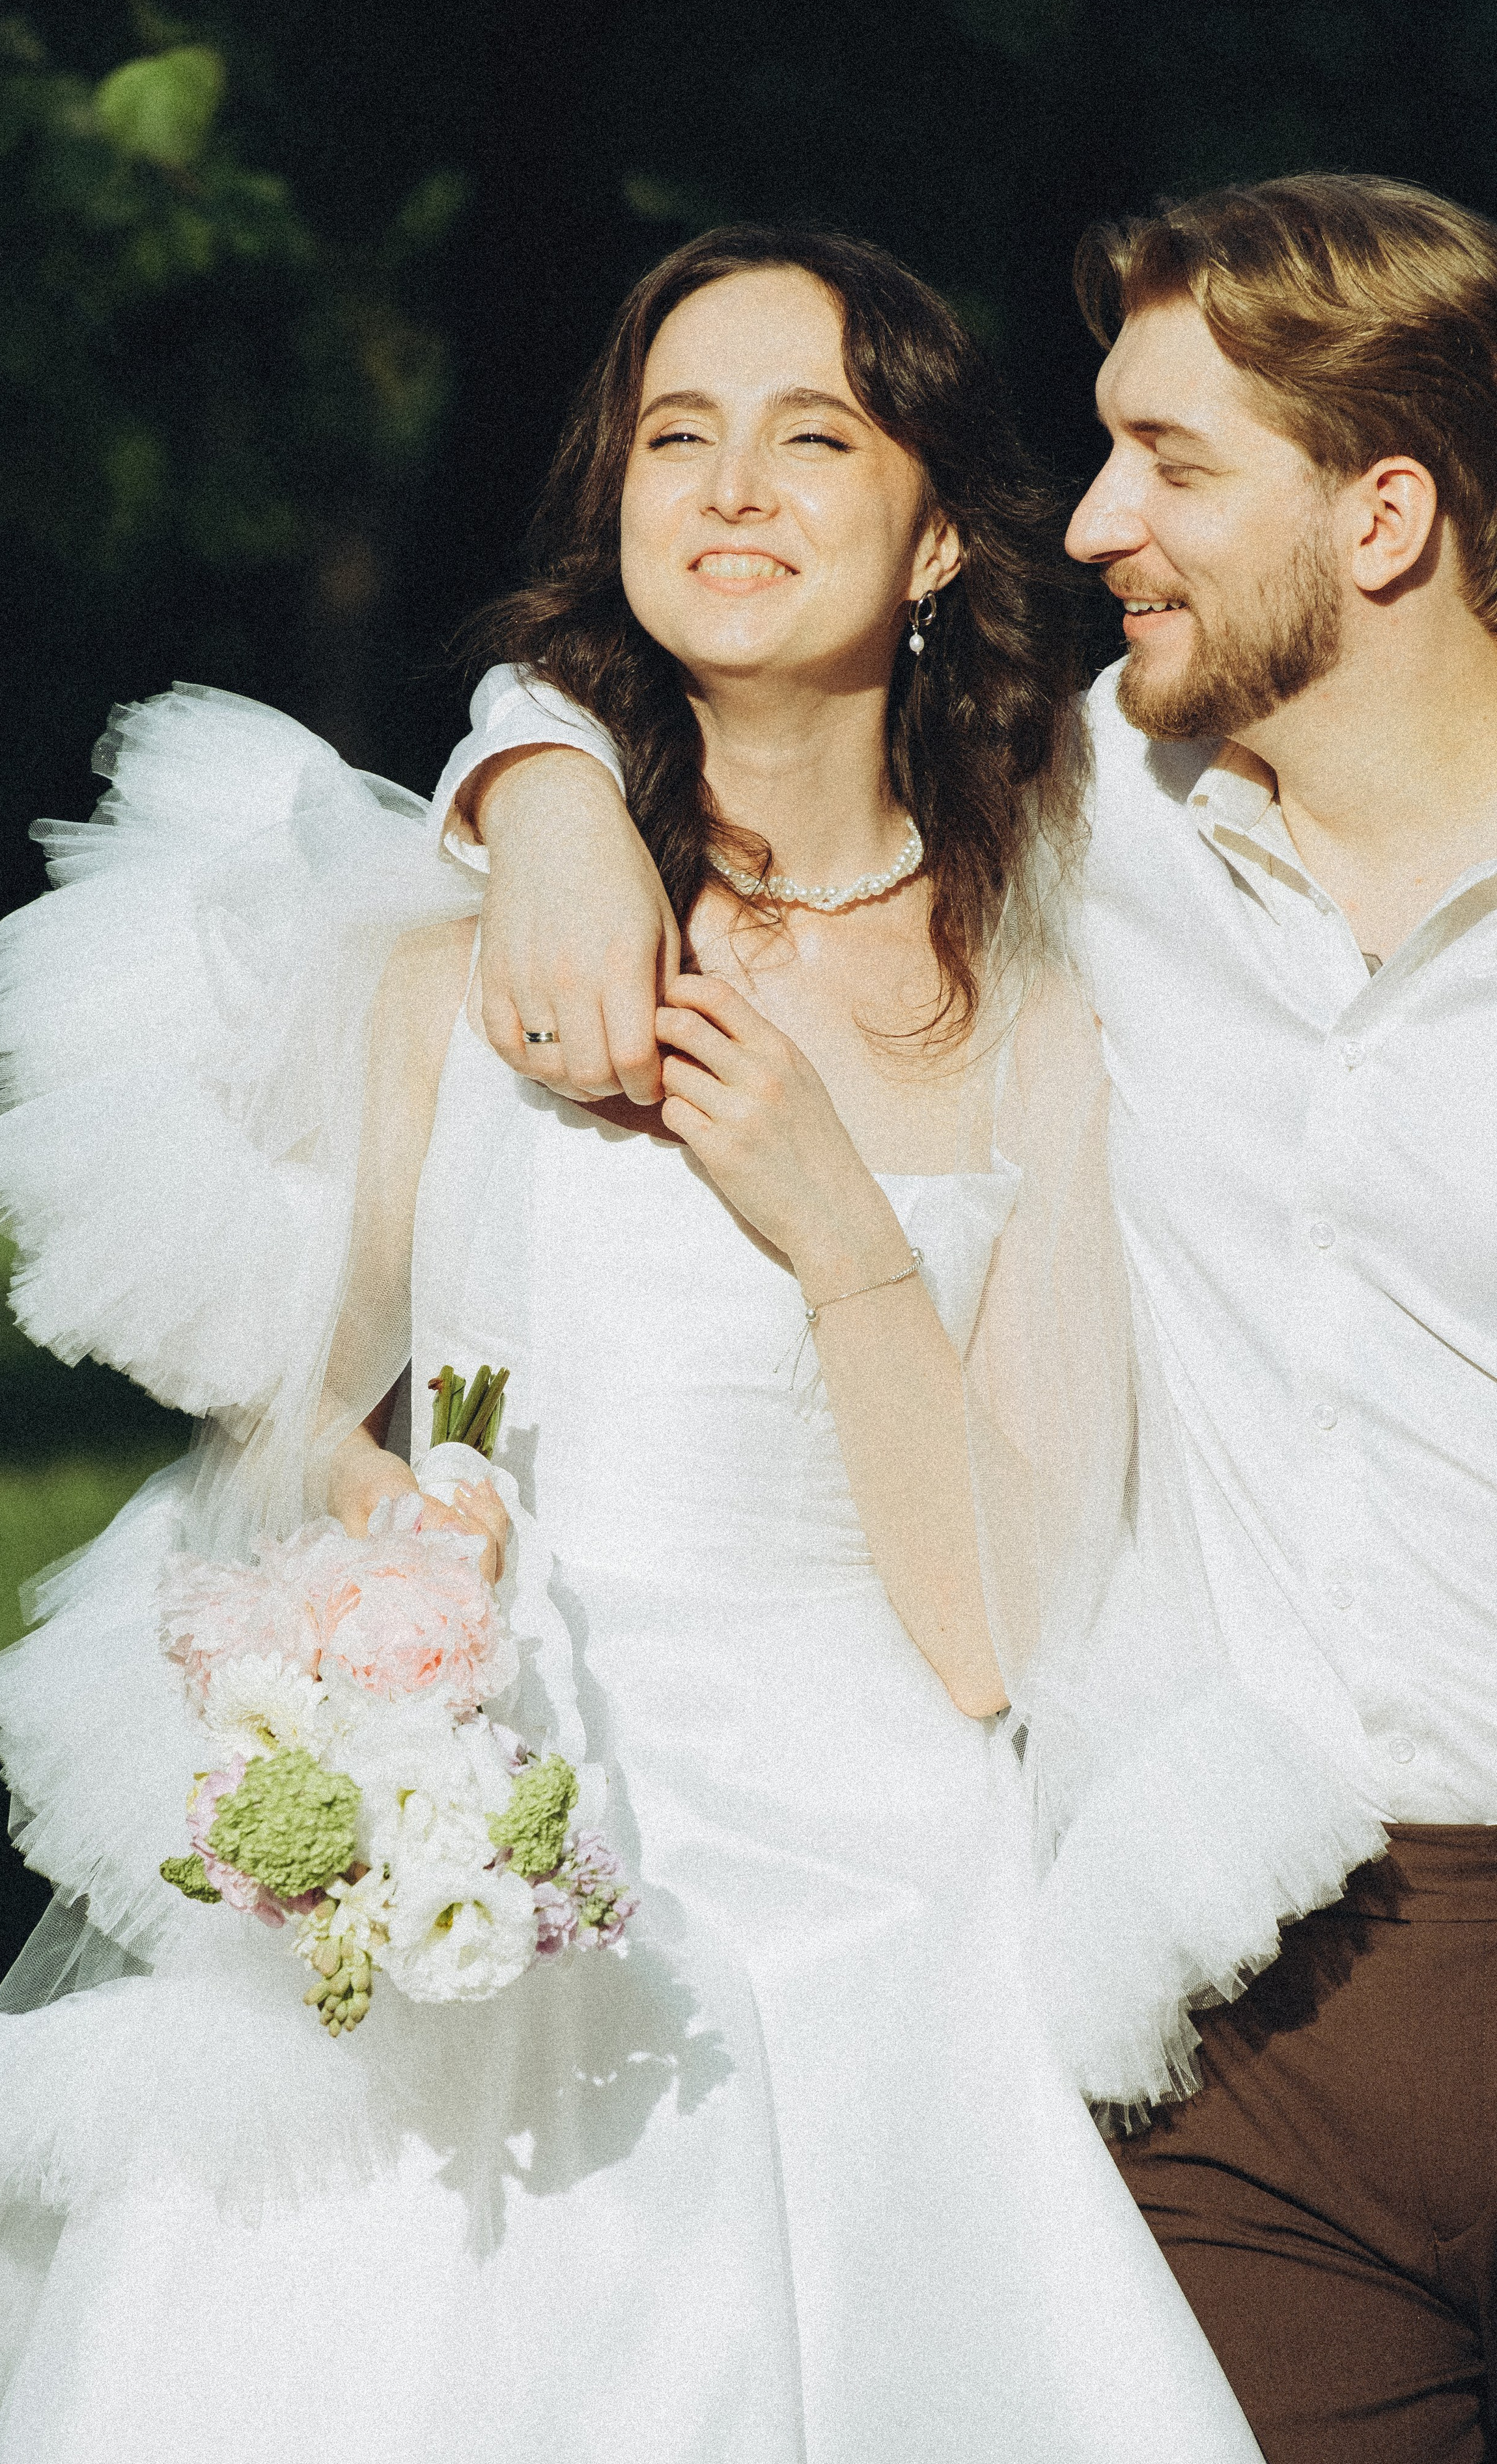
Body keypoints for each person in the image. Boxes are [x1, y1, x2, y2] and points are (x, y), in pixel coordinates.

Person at [0, 227, 1371, 2464]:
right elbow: (293, 1431)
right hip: (491, 1818)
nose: (732, 486)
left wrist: (845, 1234)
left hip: (864, 1880)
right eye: (677, 436)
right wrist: (387, 1579)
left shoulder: (1038, 1001)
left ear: (939, 531)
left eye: (814, 438)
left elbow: (993, 1640)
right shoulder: (464, 958)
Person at [449, 176, 1497, 2464]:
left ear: (1388, 515)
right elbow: (714, 641)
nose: (1097, 514)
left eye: (1173, 464)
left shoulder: (1075, 812)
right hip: (1266, 1998)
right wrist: (534, 777)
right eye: (1102, 448)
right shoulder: (1111, 802)